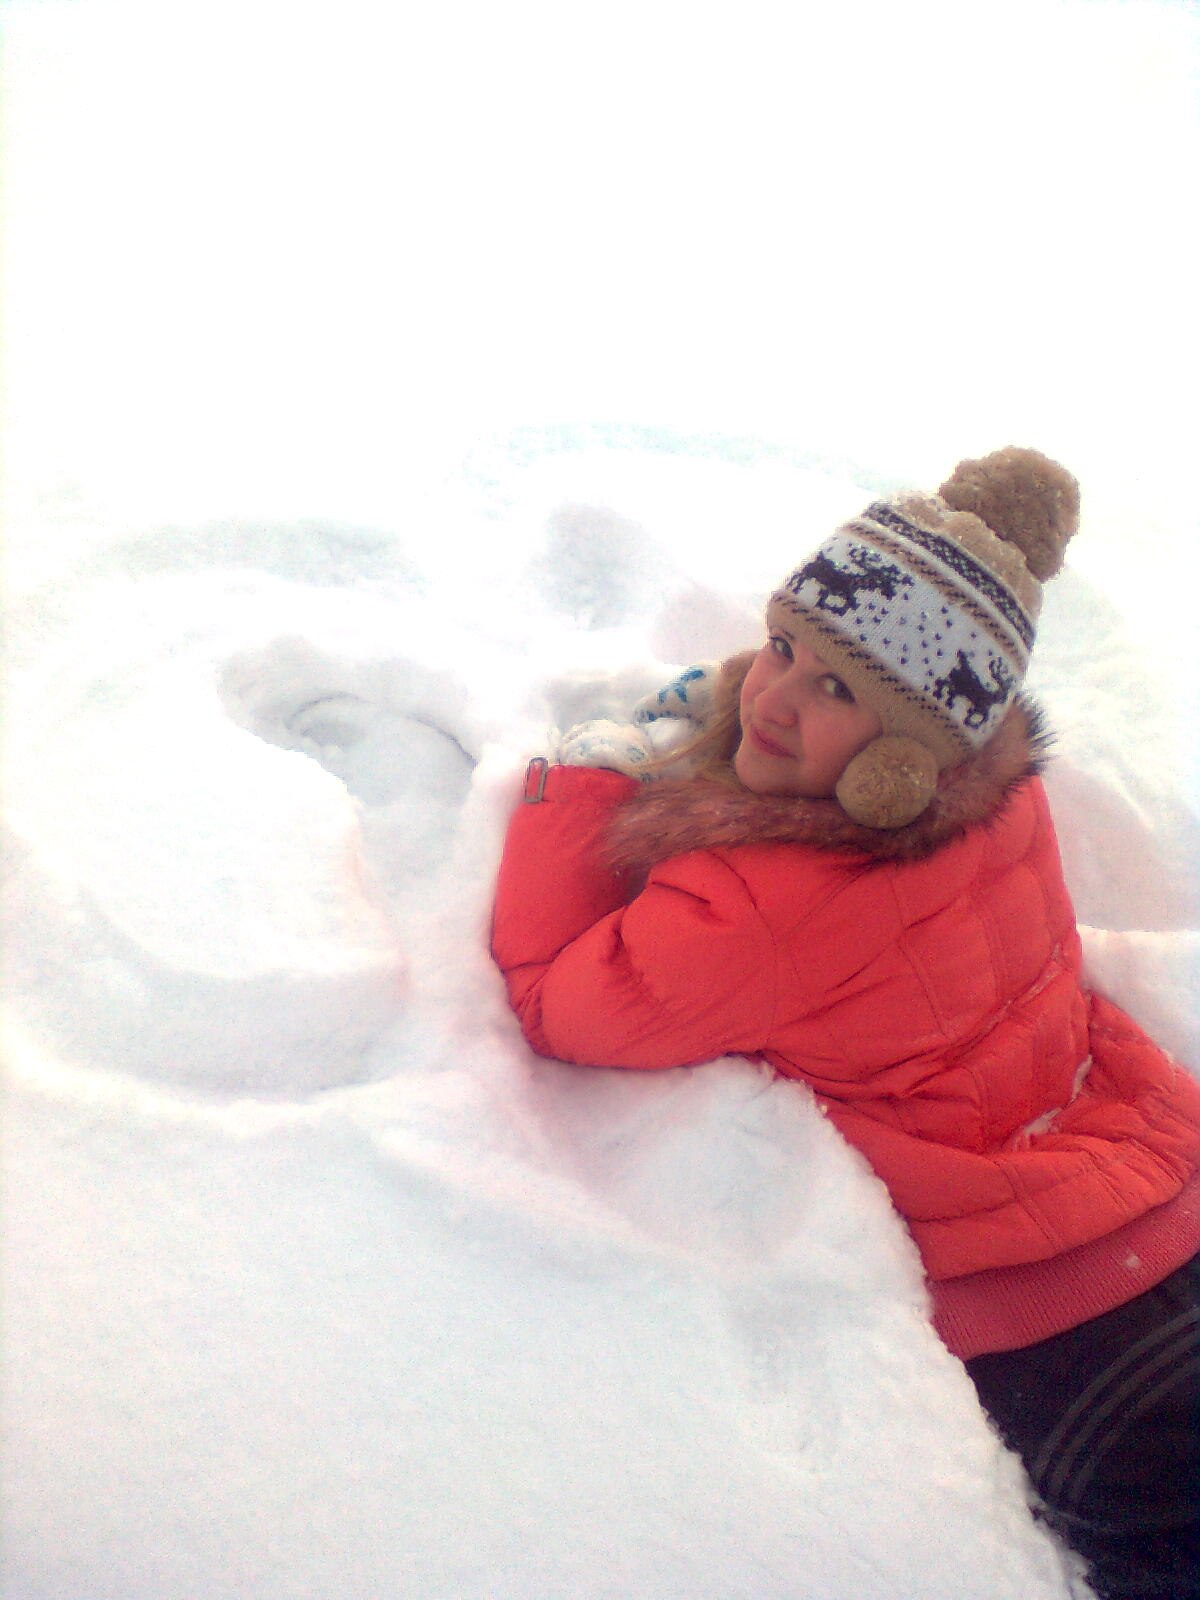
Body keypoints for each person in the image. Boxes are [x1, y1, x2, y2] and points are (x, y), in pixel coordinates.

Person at [490, 447, 1200, 1600]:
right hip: (1162, 1186)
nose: (771, 697)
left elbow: (550, 999)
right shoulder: (1006, 790)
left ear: (902, 764)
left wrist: (585, 781)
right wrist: (788, 701)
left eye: (835, 692)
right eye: (781, 647)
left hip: (1060, 1328)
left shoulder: (755, 909)